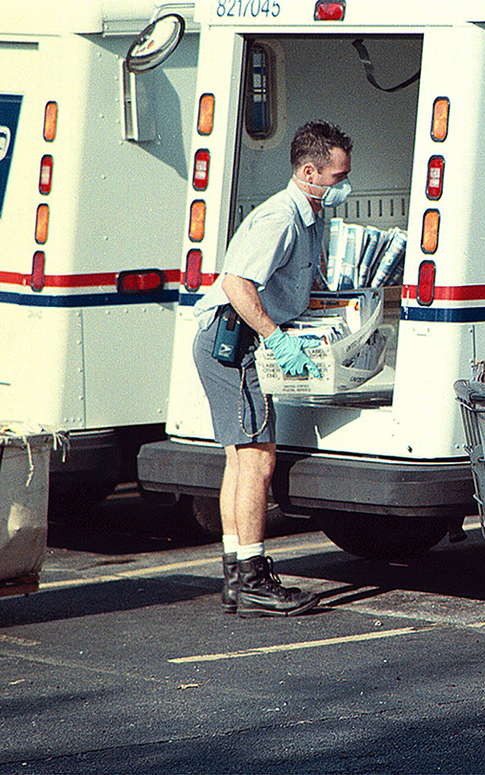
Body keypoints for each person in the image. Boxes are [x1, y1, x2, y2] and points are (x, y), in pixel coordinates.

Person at [192, 120, 353, 618]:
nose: (343, 186)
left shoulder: (308, 216)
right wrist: (275, 339)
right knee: (258, 462)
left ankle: (237, 576)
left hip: (230, 341)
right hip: (231, 343)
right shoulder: (281, 218)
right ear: (310, 172)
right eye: (338, 176)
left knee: (239, 461)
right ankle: (253, 578)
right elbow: (238, 284)